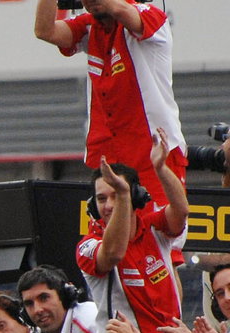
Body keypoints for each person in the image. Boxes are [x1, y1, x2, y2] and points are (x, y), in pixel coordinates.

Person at [33, 0, 184, 215]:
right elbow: (44, 30)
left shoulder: (149, 16)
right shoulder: (90, 26)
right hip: (109, 157)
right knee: (111, 240)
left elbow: (120, 9)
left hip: (154, 156)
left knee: (159, 234)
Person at [76, 132, 186, 333]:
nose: (109, 205)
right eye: (102, 199)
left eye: (117, 195)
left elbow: (180, 212)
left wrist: (160, 167)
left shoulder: (153, 228)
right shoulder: (87, 246)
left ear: (137, 197)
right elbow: (113, 252)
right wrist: (124, 194)